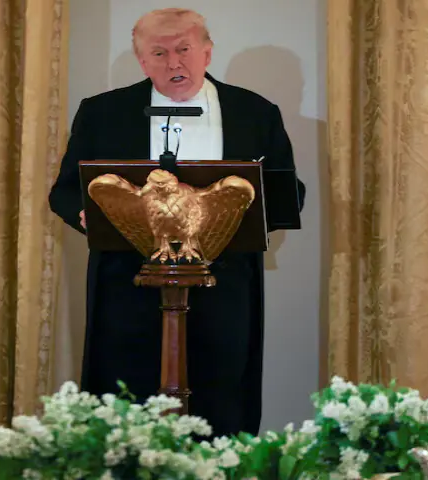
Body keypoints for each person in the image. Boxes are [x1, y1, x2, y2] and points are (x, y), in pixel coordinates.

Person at [48, 8, 305, 437]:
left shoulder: (255, 112)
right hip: (126, 289)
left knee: (220, 403)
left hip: (223, 287)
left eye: (184, 50)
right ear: (141, 60)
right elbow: (65, 191)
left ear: (207, 52)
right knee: (125, 406)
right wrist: (85, 213)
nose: (174, 64)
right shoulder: (102, 112)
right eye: (159, 53)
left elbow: (287, 193)